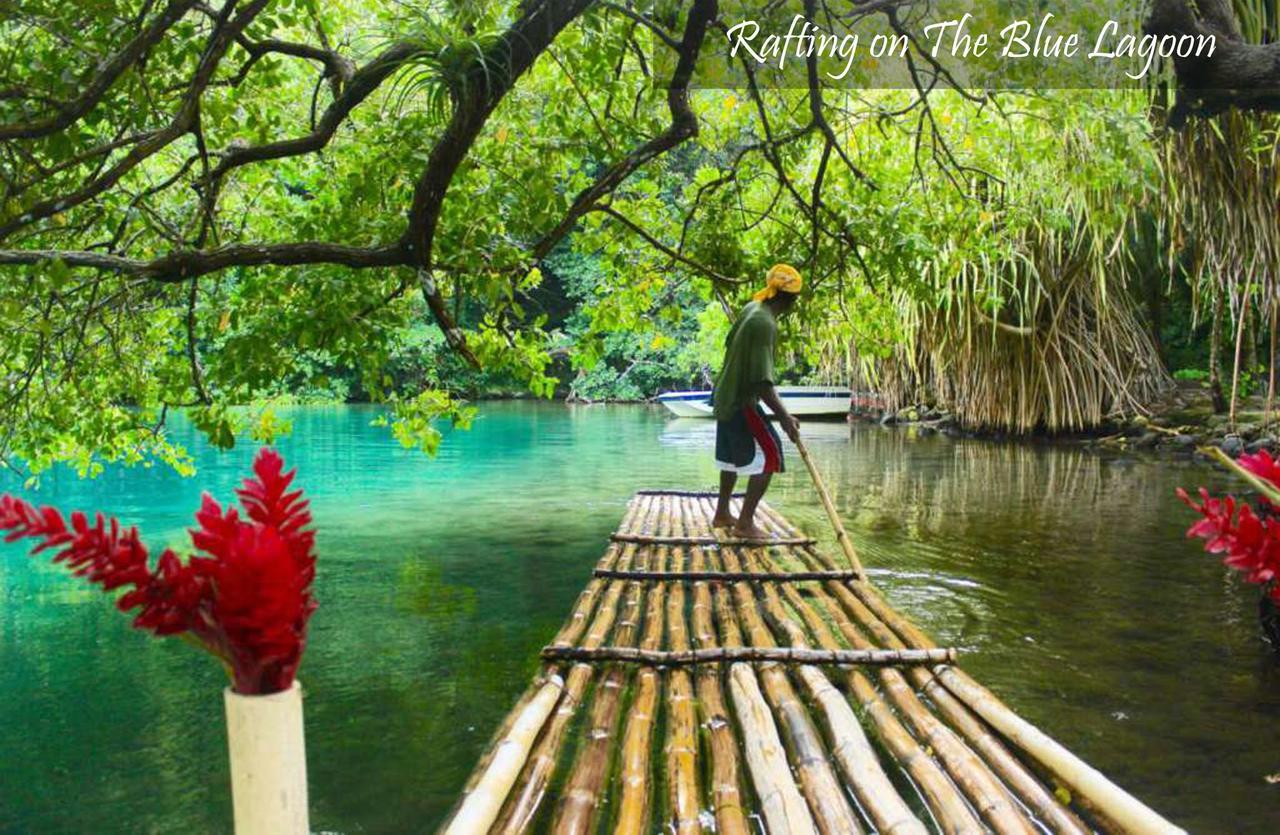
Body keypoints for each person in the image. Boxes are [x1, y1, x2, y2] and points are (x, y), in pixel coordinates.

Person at [711, 263, 803, 539]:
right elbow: (762, 383)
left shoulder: (753, 308)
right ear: (790, 300)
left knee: (729, 458)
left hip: (723, 394)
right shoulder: (764, 323)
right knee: (770, 457)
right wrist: (785, 418)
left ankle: (722, 513)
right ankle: (744, 524)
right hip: (740, 400)